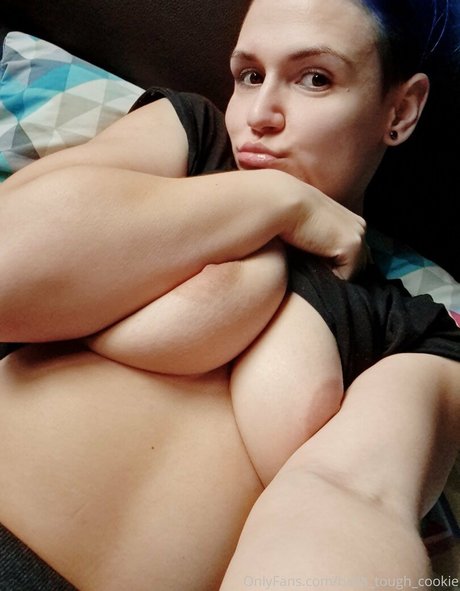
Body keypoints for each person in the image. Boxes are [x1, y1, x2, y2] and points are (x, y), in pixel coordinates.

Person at [0, 0, 459, 590]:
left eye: (315, 79)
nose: (260, 114)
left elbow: (357, 500)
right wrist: (278, 202)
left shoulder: (414, 333)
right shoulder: (194, 138)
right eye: (249, 75)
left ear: (401, 109)